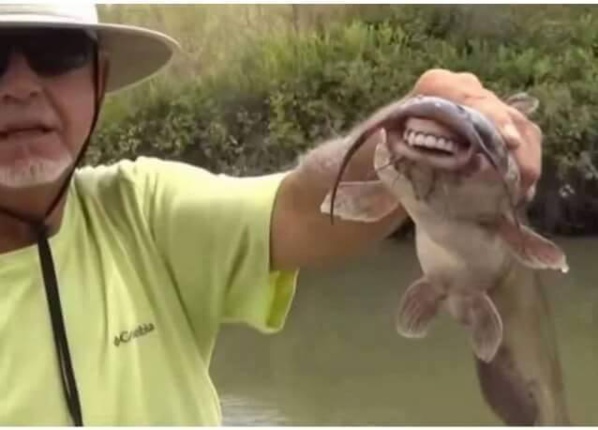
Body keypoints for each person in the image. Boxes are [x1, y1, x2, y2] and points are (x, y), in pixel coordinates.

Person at [0, 3, 542, 426]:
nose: (21, 87)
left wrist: (417, 126)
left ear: (97, 79)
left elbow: (306, 206)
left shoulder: (144, 211)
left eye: (57, 52)